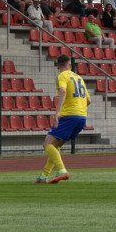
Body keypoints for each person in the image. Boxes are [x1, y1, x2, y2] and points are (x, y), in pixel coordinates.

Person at [36, 54, 89, 184]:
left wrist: (57, 113)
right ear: (70, 65)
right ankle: (43, 176)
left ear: (58, 66)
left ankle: (62, 170)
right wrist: (79, 109)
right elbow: (88, 100)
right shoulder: (79, 78)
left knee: (47, 143)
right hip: (82, 117)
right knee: (55, 145)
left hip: (69, 115)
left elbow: (63, 91)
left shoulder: (62, 75)